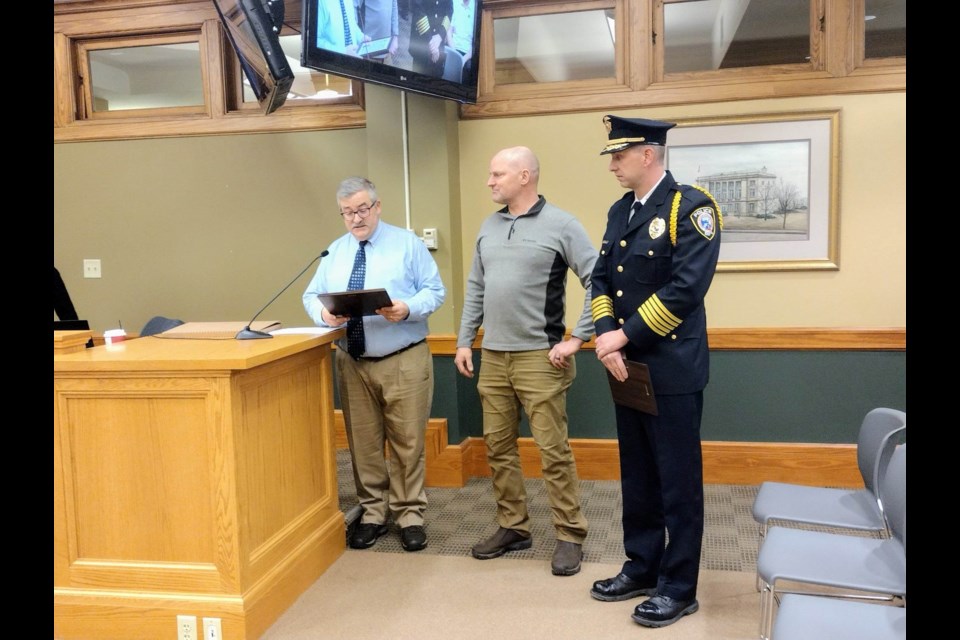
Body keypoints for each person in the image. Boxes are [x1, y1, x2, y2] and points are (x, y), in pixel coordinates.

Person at [587, 116, 722, 628]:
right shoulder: (621, 211)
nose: (613, 164)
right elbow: (601, 278)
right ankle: (642, 567)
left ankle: (678, 586)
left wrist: (624, 336)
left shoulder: (692, 208)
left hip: (671, 367)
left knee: (678, 482)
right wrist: (605, 336)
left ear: (649, 155)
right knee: (638, 474)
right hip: (625, 366)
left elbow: (687, 290)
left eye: (619, 155)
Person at [454, 146, 596, 577]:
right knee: (497, 447)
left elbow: (598, 279)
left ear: (525, 177)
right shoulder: (489, 226)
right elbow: (476, 286)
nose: (490, 181)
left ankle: (570, 534)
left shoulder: (562, 225)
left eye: (498, 174)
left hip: (541, 357)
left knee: (553, 451)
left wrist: (579, 337)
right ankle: (513, 527)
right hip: (494, 356)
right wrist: (464, 341)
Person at [303, 176, 446, 552]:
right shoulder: (334, 252)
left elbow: (435, 291)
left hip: (402, 357)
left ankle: (410, 514)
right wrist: (323, 314)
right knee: (363, 444)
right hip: (352, 361)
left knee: (407, 442)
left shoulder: (407, 244)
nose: (355, 218)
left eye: (362, 209)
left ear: (378, 207)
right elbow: (309, 295)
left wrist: (407, 307)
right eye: (347, 212)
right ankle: (372, 513)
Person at [407, 0, 452, 77]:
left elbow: (449, 11)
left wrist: (439, 37)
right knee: (418, 77)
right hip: (422, 42)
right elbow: (418, 11)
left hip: (439, 43)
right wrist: (431, 42)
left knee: (436, 79)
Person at [446, 0, 475, 78]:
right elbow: (449, 32)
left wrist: (463, 60)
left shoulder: (476, 8)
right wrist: (455, 55)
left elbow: (476, 44)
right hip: (453, 48)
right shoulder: (455, 3)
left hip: (468, 54)